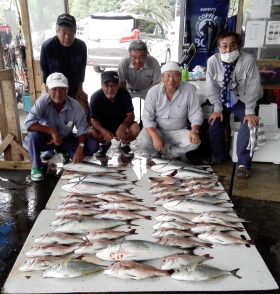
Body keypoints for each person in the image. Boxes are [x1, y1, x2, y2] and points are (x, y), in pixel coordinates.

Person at [206, 31, 263, 179]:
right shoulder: (213, 61)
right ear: (218, 47)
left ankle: (243, 165)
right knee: (214, 123)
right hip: (223, 99)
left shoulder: (248, 60)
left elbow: (253, 87)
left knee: (249, 123)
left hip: (244, 101)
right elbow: (212, 87)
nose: (228, 50)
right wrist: (217, 109)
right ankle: (219, 156)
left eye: (232, 45)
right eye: (224, 46)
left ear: (239, 46)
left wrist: (250, 111)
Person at [24, 72, 98, 182]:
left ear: (67, 90)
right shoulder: (42, 102)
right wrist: (51, 131)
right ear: (47, 89)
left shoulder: (75, 106)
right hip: (47, 140)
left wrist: (80, 147)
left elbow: (82, 128)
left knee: (93, 145)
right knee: (32, 137)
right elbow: (28, 124)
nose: (58, 93)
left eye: (62, 89)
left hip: (66, 140)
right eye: (54, 89)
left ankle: (65, 153)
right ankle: (36, 167)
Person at [137, 61, 203, 160]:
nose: (171, 79)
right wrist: (155, 136)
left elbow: (196, 113)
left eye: (175, 76)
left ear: (180, 77)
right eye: (167, 75)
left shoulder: (189, 89)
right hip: (158, 129)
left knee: (195, 143)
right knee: (142, 141)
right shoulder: (153, 92)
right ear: (162, 78)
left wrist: (194, 130)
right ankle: (162, 154)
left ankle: (166, 153)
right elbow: (147, 117)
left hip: (179, 131)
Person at [40, 13, 89, 114]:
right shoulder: (47, 46)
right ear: (57, 31)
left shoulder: (81, 46)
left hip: (74, 87)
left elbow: (82, 70)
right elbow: (44, 70)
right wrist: (46, 89)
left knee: (84, 110)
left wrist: (80, 88)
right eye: (63, 32)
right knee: (45, 111)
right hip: (54, 88)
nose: (67, 37)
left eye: (71, 32)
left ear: (75, 32)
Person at [88, 71, 140, 158]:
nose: (110, 89)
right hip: (104, 126)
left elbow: (130, 115)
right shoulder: (95, 97)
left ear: (118, 85)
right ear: (101, 86)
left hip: (121, 125)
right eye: (106, 86)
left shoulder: (125, 94)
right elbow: (93, 119)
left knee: (136, 129)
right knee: (91, 132)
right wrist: (103, 131)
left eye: (114, 85)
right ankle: (104, 143)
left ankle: (124, 144)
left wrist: (123, 126)